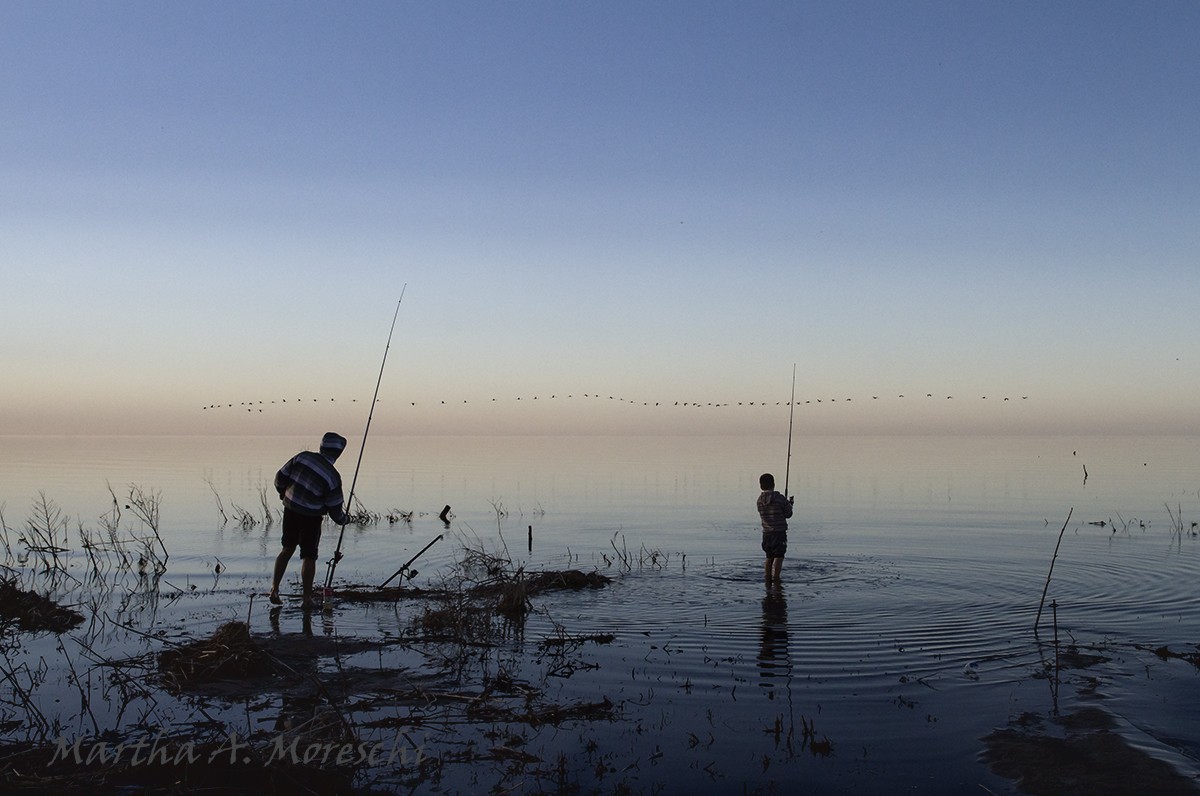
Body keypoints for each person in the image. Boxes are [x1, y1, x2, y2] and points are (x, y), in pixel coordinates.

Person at [270, 432, 350, 609]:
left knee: (286, 549)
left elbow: (279, 478)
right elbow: (335, 509)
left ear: (322, 446)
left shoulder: (303, 457)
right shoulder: (333, 477)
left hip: (290, 510)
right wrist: (344, 520)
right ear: (338, 453)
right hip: (311, 518)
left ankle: (274, 590)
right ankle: (306, 599)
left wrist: (283, 492)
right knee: (309, 556)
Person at [757, 472, 793, 584]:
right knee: (779, 555)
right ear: (773, 484)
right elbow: (788, 514)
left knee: (769, 556)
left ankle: (767, 578)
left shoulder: (759, 500)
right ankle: (776, 578)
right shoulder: (780, 498)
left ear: (761, 486)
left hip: (766, 533)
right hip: (779, 533)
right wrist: (790, 504)